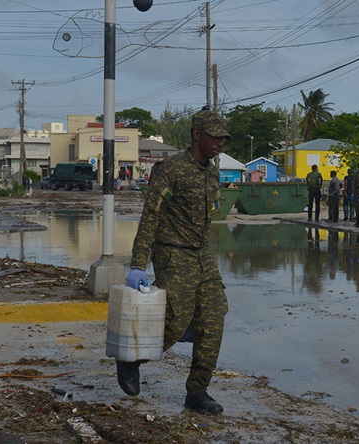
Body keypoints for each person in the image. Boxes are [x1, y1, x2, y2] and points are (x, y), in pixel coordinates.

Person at [120, 109, 232, 415]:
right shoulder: (171, 170)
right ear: (197, 133)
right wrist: (138, 264)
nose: (220, 143)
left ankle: (197, 392)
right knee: (175, 320)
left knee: (213, 318)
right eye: (215, 136)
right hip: (173, 254)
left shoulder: (212, 173)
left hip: (202, 255)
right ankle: (131, 359)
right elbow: (151, 217)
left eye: (223, 138)